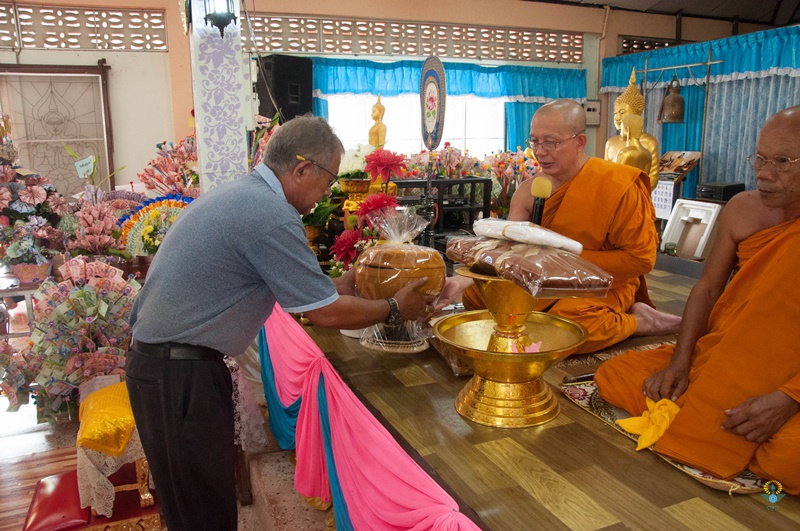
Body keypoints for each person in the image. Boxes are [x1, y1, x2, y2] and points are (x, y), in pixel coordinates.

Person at [125, 115, 434, 530]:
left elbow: (306, 290)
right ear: (302, 168)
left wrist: (344, 283)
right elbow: (323, 313)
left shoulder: (246, 195)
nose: (327, 192)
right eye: (328, 180)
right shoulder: (270, 212)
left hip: (166, 368)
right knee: (202, 514)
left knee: (198, 507)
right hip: (178, 376)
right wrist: (394, 306)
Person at [595, 106, 800, 494]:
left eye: (782, 162)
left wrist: (789, 399)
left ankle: (730, 425)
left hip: (791, 375)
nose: (763, 173)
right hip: (728, 352)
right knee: (614, 375)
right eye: (759, 158)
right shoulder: (742, 209)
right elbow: (707, 289)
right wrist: (681, 362)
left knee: (788, 460)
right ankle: (735, 429)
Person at [446, 99, 680, 354]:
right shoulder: (528, 191)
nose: (540, 151)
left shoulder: (618, 186)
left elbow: (640, 260)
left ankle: (640, 322)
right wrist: (461, 281)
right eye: (535, 141)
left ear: (580, 142)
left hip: (601, 284)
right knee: (478, 299)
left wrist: (557, 260)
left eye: (551, 142)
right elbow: (508, 252)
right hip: (541, 283)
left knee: (570, 324)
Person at [605, 69, 660, 190]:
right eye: (615, 113)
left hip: (637, 196)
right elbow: (606, 174)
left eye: (622, 112)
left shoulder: (648, 142)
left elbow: (651, 179)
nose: (617, 118)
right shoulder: (611, 143)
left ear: (637, 114)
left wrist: (632, 196)